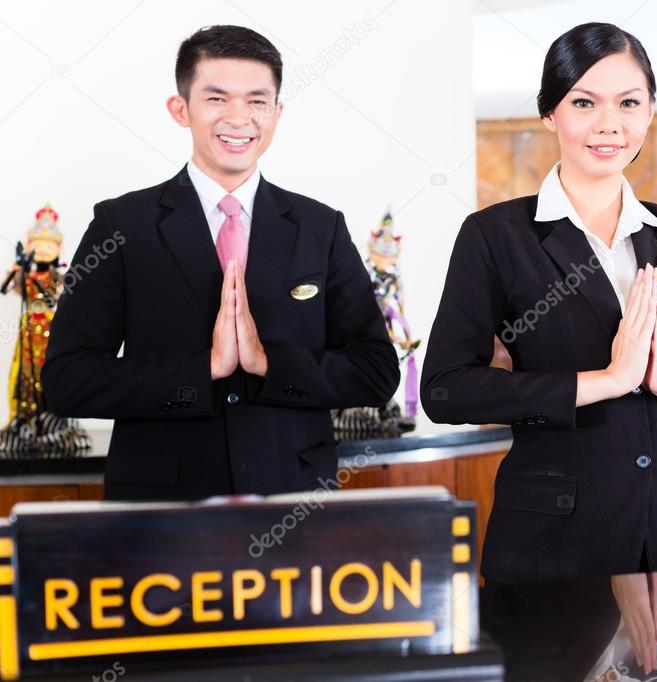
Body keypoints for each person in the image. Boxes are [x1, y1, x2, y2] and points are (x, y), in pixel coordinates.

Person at [421, 23, 657, 583]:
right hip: (553, 536)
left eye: (627, 102)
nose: (608, 124)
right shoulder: (495, 235)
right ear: (550, 113)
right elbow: (446, 389)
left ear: (649, 111)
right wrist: (605, 381)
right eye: (583, 102)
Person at [42, 25, 399, 501]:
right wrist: (202, 367)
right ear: (181, 109)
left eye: (256, 101)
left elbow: (376, 371)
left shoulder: (320, 227)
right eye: (216, 99)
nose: (239, 119)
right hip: (160, 507)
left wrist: (267, 362)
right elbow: (68, 382)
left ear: (276, 112)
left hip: (294, 500)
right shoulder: (120, 225)